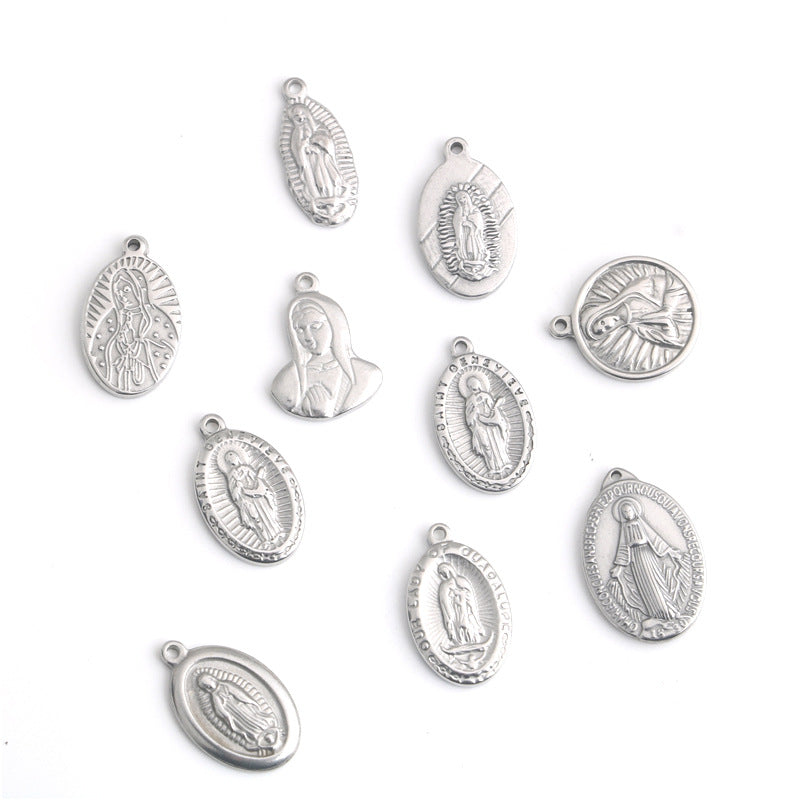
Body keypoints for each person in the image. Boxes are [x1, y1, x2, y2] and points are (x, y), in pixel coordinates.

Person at [271, 292, 381, 418]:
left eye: (315, 327)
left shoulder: (367, 375)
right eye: (300, 330)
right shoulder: (285, 381)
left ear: (334, 325)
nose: (308, 337)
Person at [607, 498, 690, 625]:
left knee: (657, 582)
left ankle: (670, 611)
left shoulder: (641, 523)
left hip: (647, 554)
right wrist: (619, 567)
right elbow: (623, 546)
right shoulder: (624, 527)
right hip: (635, 560)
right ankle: (655, 614)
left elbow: (655, 538)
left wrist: (670, 551)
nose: (627, 514)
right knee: (644, 586)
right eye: (624, 512)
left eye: (629, 511)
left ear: (634, 511)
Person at [196, 674, 280, 751]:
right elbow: (220, 710)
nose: (209, 686)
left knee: (253, 717)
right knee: (245, 724)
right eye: (206, 686)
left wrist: (251, 702)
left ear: (213, 679)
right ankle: (256, 735)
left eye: (209, 682)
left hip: (242, 707)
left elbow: (239, 694)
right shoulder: (215, 696)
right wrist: (228, 718)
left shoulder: (225, 685)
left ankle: (264, 728)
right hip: (235, 714)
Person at [288, 103, 345, 208]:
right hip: (310, 162)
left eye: (302, 114)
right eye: (296, 116)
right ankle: (320, 198)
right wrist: (302, 148)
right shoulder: (296, 132)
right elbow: (296, 149)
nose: (300, 118)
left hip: (323, 159)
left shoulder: (318, 126)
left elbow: (327, 141)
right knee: (319, 182)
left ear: (307, 113)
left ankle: (333, 194)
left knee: (328, 179)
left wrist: (316, 144)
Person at [219, 448, 280, 545]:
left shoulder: (247, 468)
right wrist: (238, 487)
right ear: (229, 462)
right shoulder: (232, 474)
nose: (233, 460)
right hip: (247, 500)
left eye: (234, 457)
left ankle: (276, 532)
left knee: (267, 512)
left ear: (238, 457)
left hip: (258, 496)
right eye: (230, 460)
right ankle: (266, 538)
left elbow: (257, 480)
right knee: (256, 518)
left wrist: (258, 480)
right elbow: (233, 493)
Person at [460, 372, 511, 477]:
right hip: (480, 426)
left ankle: (504, 463)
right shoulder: (470, 400)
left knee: (497, 441)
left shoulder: (486, 395)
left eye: (478, 387)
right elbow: (469, 418)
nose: (477, 390)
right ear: (470, 388)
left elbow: (493, 409)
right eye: (474, 388)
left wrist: (491, 414)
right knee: (486, 445)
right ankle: (492, 467)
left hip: (491, 424)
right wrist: (475, 412)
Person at [437, 563, 484, 646]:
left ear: (449, 570)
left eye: (444, 572)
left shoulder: (461, 581)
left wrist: (461, 595)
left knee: (467, 625)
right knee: (458, 626)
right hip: (454, 611)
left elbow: (469, 596)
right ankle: (460, 642)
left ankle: (473, 640)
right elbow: (444, 601)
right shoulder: (444, 585)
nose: (444, 575)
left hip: (464, 609)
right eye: (441, 573)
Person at [453, 190, 487, 266]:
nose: (463, 200)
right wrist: (461, 221)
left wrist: (468, 218)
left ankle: (477, 258)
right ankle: (467, 258)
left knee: (473, 243)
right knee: (466, 244)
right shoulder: (459, 210)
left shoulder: (474, 208)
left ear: (467, 197)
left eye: (464, 197)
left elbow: (478, 219)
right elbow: (456, 221)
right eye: (460, 199)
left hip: (474, 231)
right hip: (464, 232)